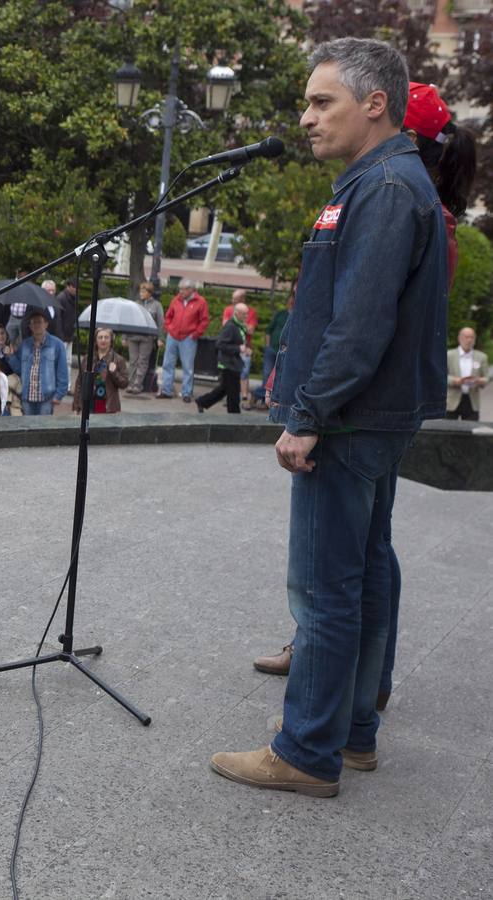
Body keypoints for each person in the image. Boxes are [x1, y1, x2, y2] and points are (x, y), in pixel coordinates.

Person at [210, 38, 450, 799]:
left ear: (372, 104)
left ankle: (306, 749)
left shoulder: (381, 188)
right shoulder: (390, 179)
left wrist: (307, 414)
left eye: (322, 102)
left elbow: (359, 323)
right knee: (365, 569)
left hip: (348, 418)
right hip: (371, 413)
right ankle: (350, 736)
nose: (306, 118)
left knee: (325, 588)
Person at [0, 305, 68, 416]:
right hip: (27, 397)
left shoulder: (57, 344)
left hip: (46, 397)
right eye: (33, 323)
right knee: (28, 428)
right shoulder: (24, 345)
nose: (36, 325)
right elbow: (19, 369)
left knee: (43, 429)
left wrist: (59, 394)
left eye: (39, 322)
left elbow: (62, 371)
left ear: (46, 324)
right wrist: (10, 356)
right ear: (30, 326)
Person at [157, 278, 209, 401]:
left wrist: (195, 334)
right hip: (173, 336)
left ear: (191, 290)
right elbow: (168, 316)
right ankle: (166, 390)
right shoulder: (176, 300)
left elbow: (204, 320)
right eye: (180, 289)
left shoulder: (201, 302)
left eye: (183, 289)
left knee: (188, 367)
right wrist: (169, 328)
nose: (180, 291)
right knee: (167, 364)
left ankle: (186, 393)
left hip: (188, 338)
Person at [196, 303, 248, 414]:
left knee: (224, 389)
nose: (246, 316)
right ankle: (234, 415)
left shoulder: (239, 325)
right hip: (228, 363)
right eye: (244, 314)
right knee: (233, 392)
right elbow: (220, 344)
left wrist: (242, 349)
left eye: (246, 314)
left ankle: (202, 401)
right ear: (237, 313)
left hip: (233, 362)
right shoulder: (230, 326)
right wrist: (238, 348)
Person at [73, 327, 129, 414]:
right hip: (89, 402)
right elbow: (79, 382)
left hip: (107, 405)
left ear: (111, 340)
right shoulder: (88, 358)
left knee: (101, 427)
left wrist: (114, 373)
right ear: (96, 340)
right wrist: (76, 407)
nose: (103, 340)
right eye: (100, 337)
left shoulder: (118, 359)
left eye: (106, 337)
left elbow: (124, 383)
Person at [253, 291, 292, 408]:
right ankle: (263, 399)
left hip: (285, 352)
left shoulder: (298, 316)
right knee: (267, 374)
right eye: (290, 300)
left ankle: (267, 399)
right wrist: (268, 345)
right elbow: (269, 330)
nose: (291, 302)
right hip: (272, 349)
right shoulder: (281, 314)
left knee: (279, 376)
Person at [125, 282, 162, 395]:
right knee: (133, 361)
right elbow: (128, 319)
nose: (141, 293)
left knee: (142, 361)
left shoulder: (156, 305)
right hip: (133, 336)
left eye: (143, 291)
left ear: (149, 293)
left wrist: (160, 338)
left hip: (147, 338)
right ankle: (130, 384)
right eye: (140, 291)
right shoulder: (135, 304)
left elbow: (160, 323)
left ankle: (137, 385)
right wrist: (124, 336)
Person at [447, 327, 487, 421]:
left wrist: (480, 381)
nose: (469, 340)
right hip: (452, 400)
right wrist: (454, 380)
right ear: (459, 338)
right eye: (466, 337)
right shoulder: (449, 355)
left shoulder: (482, 357)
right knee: (448, 432)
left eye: (472, 337)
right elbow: (441, 376)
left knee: (471, 432)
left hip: (471, 400)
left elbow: (486, 377)